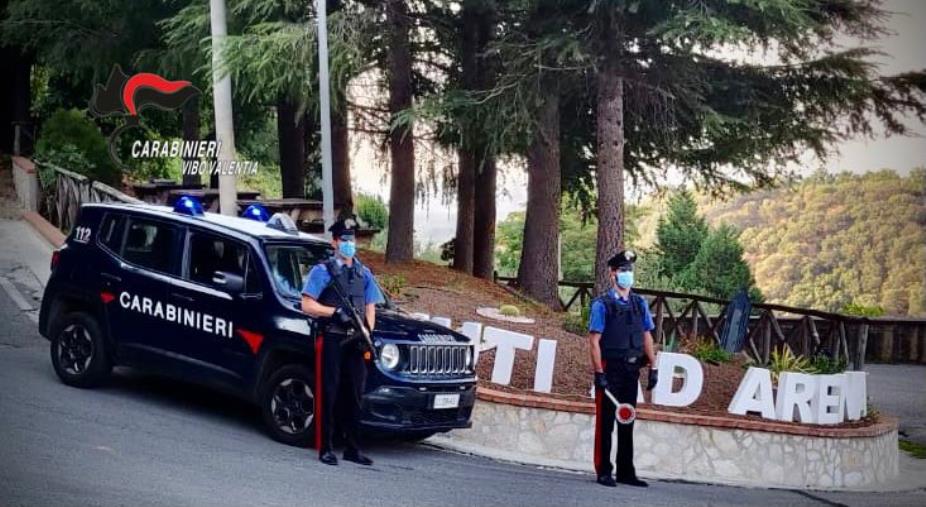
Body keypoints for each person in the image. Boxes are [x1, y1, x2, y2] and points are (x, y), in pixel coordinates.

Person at [301, 217, 384, 466]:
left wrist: (367, 331)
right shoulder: (323, 270)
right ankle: (326, 447)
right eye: (345, 239)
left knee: (355, 394)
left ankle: (352, 448)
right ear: (335, 242)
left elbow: (371, 306)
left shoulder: (363, 272)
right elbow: (306, 304)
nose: (350, 243)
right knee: (330, 391)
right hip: (333, 338)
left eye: (352, 239)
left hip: (357, 341)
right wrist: (333, 313)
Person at [587, 250, 659, 488]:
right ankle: (604, 471)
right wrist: (599, 373)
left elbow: (647, 334)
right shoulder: (602, 304)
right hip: (610, 367)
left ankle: (626, 471)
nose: (627, 274)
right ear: (612, 274)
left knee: (627, 419)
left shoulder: (639, 304)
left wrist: (653, 366)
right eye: (622, 270)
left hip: (631, 369)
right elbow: (594, 341)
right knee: (605, 422)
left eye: (629, 270)